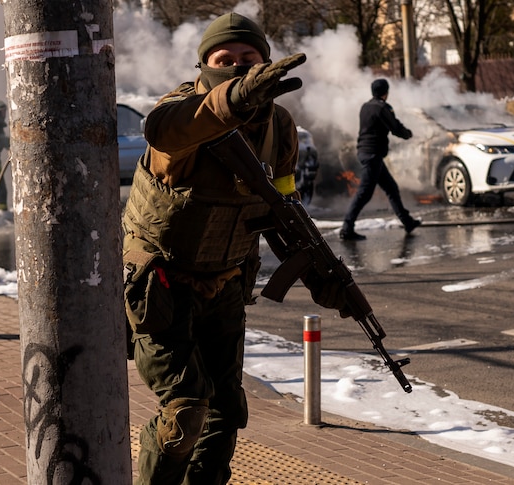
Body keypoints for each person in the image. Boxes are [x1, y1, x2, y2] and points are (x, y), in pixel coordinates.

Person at [121, 13, 346, 485]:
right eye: (225, 60)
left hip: (224, 283)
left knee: (226, 410)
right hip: (161, 286)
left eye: (249, 59)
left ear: (267, 62)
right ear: (204, 65)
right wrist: (233, 99)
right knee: (186, 413)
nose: (239, 68)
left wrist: (322, 276)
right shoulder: (181, 111)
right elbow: (163, 132)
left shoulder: (280, 128)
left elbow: (283, 211)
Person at [339, 78, 420, 241]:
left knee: (391, 188)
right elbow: (396, 128)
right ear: (385, 92)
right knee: (364, 193)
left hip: (366, 153)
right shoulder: (383, 108)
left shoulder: (365, 106)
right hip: (372, 155)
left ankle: (407, 221)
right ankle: (347, 228)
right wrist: (408, 134)